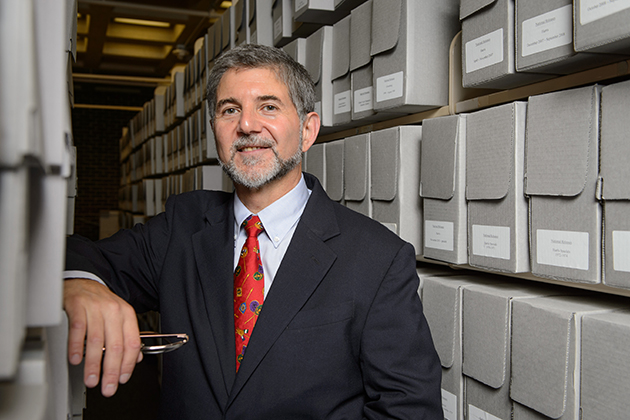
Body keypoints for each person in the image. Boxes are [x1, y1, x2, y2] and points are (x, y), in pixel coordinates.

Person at [64, 43, 443, 419]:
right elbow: (72, 253)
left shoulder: (377, 257)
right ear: (215, 131)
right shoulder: (182, 228)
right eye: (230, 110)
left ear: (308, 130)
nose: (247, 125)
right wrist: (80, 282)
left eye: (269, 107)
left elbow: (409, 410)